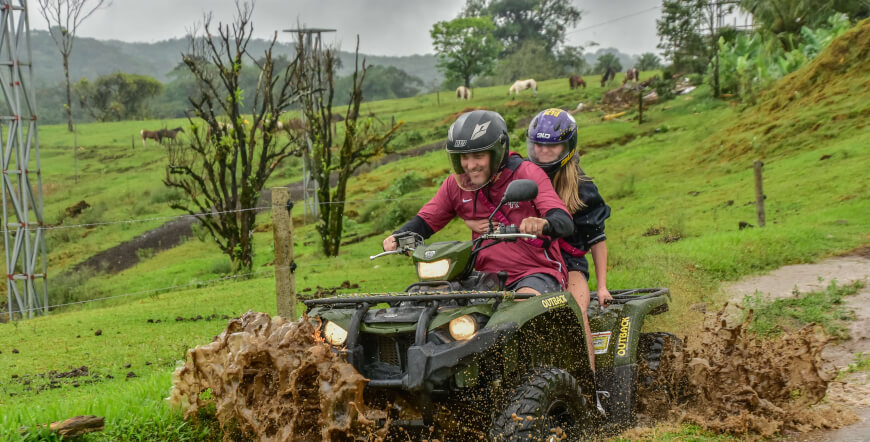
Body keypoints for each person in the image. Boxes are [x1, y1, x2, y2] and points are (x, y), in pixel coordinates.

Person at [382, 110, 574, 295]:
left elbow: (562, 219)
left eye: (478, 156)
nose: (470, 166)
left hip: (536, 273)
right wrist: (397, 237)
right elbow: (427, 220)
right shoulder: (457, 183)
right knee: (429, 303)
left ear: (497, 152)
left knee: (521, 306)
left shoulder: (527, 173)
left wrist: (543, 223)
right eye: (464, 157)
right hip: (484, 277)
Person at [527, 108, 612, 371]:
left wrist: (602, 287)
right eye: (538, 145)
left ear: (568, 146)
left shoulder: (582, 186)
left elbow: (597, 239)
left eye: (552, 146)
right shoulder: (523, 177)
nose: (544, 152)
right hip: (532, 261)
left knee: (576, 312)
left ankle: (590, 390)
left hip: (570, 265)